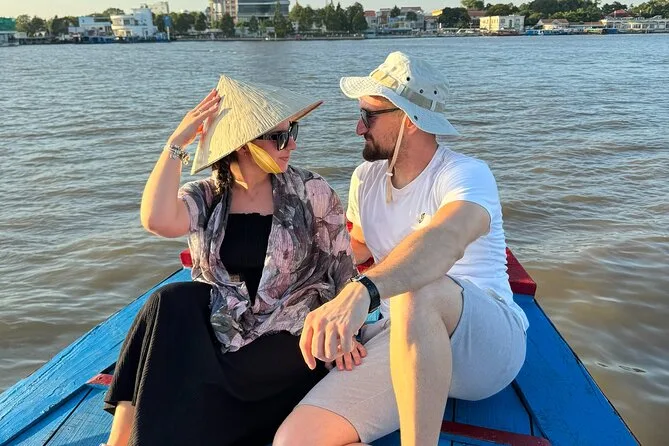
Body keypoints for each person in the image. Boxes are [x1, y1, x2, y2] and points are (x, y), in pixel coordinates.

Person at [274, 52, 530, 446]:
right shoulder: (366, 178)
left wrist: (362, 292)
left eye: (369, 115)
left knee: (420, 288)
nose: (358, 127)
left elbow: (445, 239)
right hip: (401, 337)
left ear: (410, 120)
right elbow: (356, 248)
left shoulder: (465, 174)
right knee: (295, 440)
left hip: (482, 344)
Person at [102, 75, 360, 446]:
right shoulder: (208, 196)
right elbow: (156, 220)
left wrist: (345, 330)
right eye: (280, 136)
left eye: (293, 132)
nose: (292, 145)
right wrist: (176, 144)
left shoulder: (311, 191)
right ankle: (123, 440)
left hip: (290, 334)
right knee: (168, 301)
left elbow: (343, 269)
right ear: (243, 144)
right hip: (226, 326)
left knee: (182, 368)